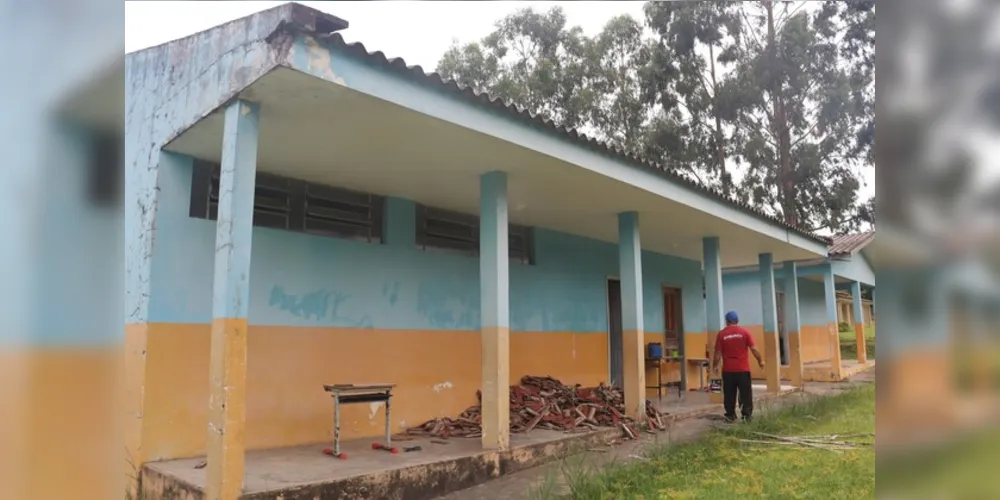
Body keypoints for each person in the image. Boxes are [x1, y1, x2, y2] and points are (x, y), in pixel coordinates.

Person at [711, 311, 764, 422]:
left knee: (729, 394)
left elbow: (717, 354)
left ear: (726, 322)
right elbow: (754, 349)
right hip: (743, 370)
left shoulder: (721, 334)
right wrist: (760, 361)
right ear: (737, 321)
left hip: (728, 370)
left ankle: (730, 415)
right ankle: (747, 416)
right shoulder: (745, 333)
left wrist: (714, 366)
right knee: (745, 394)